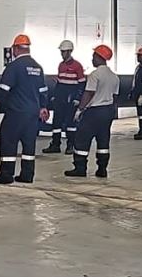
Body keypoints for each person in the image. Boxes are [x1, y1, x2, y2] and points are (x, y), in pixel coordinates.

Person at [0, 34, 49, 184]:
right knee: (29, 144)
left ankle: (6, 174)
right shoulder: (38, 67)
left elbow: (4, 89)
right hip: (32, 113)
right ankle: (27, 175)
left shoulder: (14, 67)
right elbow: (43, 91)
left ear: (15, 48)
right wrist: (43, 107)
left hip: (16, 112)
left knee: (8, 141)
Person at [65, 45, 117, 178]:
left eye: (94, 56)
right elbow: (115, 96)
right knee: (103, 140)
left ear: (100, 57)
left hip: (94, 112)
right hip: (107, 111)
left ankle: (80, 168)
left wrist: (79, 109)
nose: (92, 59)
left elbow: (89, 93)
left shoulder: (95, 75)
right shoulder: (114, 77)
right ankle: (102, 169)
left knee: (82, 139)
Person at [43, 40, 85, 154]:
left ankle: (70, 145)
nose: (62, 54)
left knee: (70, 123)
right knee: (56, 122)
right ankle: (55, 144)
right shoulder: (61, 65)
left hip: (71, 98)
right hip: (60, 97)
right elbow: (59, 83)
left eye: (64, 52)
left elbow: (82, 84)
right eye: (61, 52)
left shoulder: (77, 66)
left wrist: (77, 98)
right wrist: (55, 96)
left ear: (70, 51)